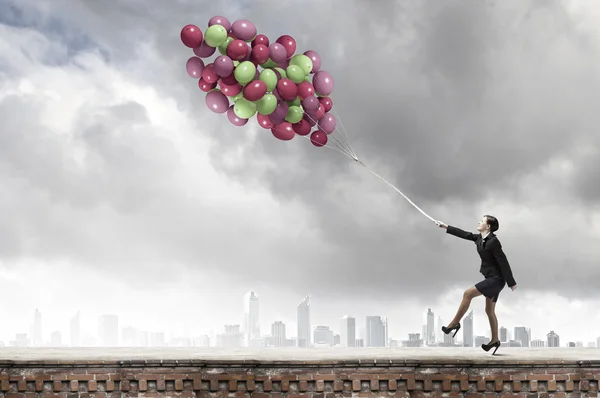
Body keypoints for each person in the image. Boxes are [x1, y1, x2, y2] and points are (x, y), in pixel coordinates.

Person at [434, 215, 516, 355]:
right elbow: (463, 234)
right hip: (490, 277)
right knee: (489, 311)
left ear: (488, 226)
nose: (479, 222)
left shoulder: (494, 242)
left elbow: (503, 261)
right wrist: (445, 226)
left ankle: (454, 323)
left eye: (482, 221)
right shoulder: (479, 238)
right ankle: (495, 340)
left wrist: (511, 282)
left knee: (467, 294)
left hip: (496, 279)